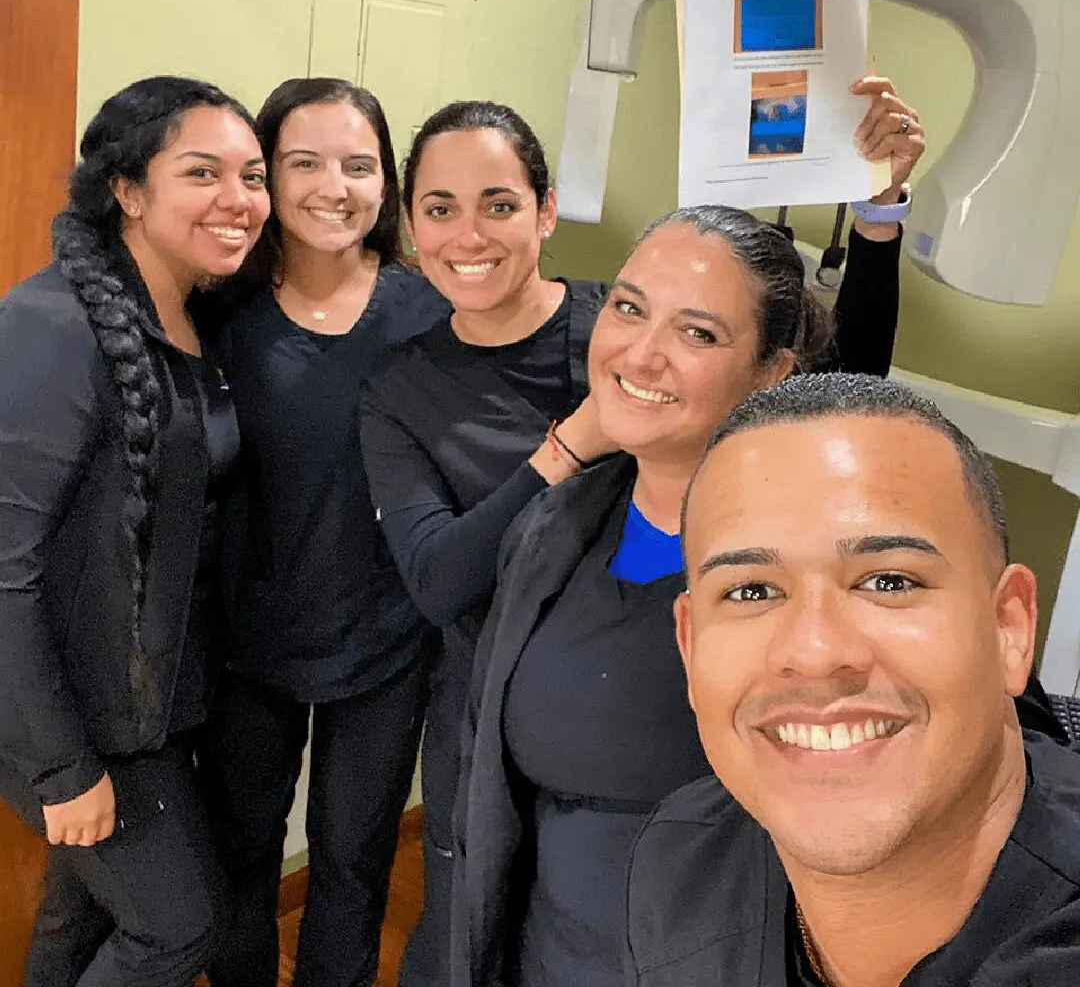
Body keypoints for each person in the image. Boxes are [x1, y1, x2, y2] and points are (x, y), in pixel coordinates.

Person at [359, 77, 921, 987]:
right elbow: (441, 580)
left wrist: (879, 212)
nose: (644, 350)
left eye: (694, 331)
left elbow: (838, 390)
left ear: (544, 213)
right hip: (516, 810)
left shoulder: (789, 570)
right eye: (631, 311)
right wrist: (577, 441)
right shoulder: (551, 509)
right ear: (411, 227)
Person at [625, 373, 1080, 985]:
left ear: (1009, 628)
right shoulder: (679, 866)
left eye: (889, 582)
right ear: (689, 644)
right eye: (751, 590)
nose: (813, 652)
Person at [0, 77, 270, 986]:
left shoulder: (189, 319)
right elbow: (3, 573)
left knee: (77, 922)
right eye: (204, 172)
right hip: (73, 719)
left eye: (253, 175)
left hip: (151, 703)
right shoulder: (48, 327)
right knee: (179, 925)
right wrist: (61, 767)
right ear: (126, 189)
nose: (238, 200)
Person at [197, 78, 448, 987]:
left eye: (358, 164)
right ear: (265, 176)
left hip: (384, 645)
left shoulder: (429, 315)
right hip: (244, 644)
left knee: (352, 862)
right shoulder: (216, 311)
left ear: (386, 183)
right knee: (241, 859)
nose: (332, 185)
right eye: (303, 162)